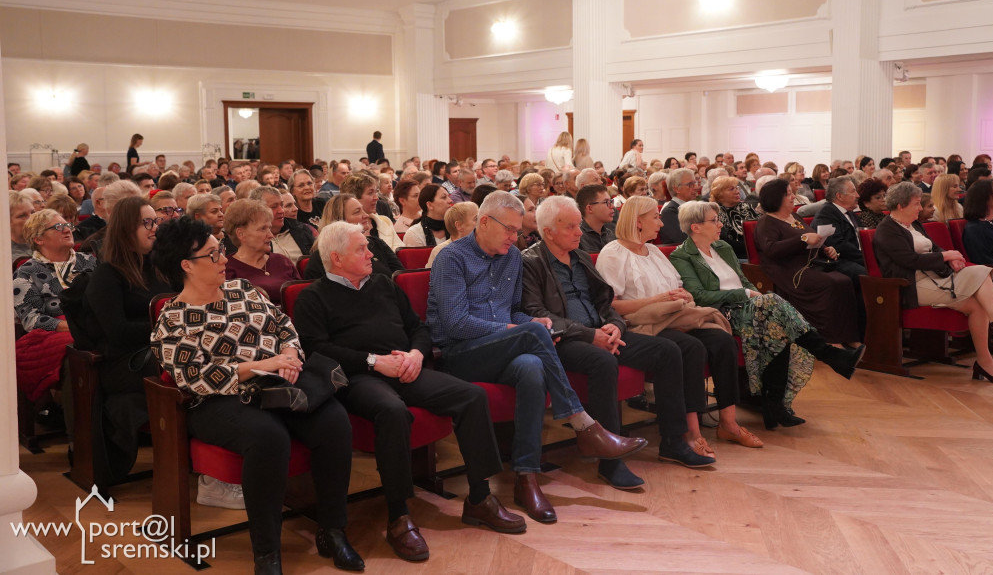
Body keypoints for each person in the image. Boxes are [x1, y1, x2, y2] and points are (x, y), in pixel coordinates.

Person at [294, 221, 525, 561]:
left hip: (405, 367)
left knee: (471, 396)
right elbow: (317, 350)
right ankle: (399, 516)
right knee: (392, 411)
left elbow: (418, 328)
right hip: (356, 378)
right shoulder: (312, 297)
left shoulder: (384, 286)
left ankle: (479, 497)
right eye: (361, 248)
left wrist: (417, 354)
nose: (371, 253)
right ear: (336, 258)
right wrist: (374, 361)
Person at [150, 217, 362, 573]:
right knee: (268, 437)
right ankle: (267, 552)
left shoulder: (243, 291)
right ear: (186, 265)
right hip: (220, 400)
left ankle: (332, 529)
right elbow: (195, 379)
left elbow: (283, 327)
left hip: (277, 385)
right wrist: (266, 362)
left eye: (221, 251)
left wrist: (291, 355)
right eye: (213, 254)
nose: (223, 260)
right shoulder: (174, 319)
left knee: (333, 422)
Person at [427, 191, 647, 525]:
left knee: (531, 366)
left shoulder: (511, 258)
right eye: (509, 231)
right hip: (459, 353)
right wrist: (519, 329)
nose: (515, 238)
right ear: (484, 222)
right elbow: (456, 324)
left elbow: (516, 309)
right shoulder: (451, 258)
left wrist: (531, 322)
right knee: (532, 336)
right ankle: (582, 423)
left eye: (518, 231)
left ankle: (525, 478)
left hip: (505, 348)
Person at [522, 197, 719, 489]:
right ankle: (610, 462)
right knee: (602, 361)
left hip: (603, 331)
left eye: (579, 225)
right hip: (564, 339)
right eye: (571, 227)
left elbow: (606, 301)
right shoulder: (531, 262)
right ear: (548, 231)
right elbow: (537, 313)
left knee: (667, 350)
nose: (579, 232)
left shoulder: (578, 257)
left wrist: (614, 325)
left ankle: (673, 442)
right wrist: (591, 335)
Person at [670, 201, 863, 428]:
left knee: (776, 325)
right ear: (696, 227)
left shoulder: (722, 247)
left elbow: (743, 280)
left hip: (750, 307)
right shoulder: (682, 256)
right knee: (773, 309)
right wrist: (747, 295)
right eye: (714, 220)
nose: (720, 224)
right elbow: (700, 296)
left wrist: (756, 297)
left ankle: (775, 407)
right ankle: (829, 357)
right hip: (721, 312)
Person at [596, 196, 757, 458]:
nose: (661, 223)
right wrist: (659, 300)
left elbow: (674, 287)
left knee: (722, 340)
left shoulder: (655, 251)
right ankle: (691, 432)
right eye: (655, 217)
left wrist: (680, 296)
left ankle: (728, 423)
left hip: (673, 315)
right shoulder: (613, 253)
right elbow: (611, 305)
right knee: (691, 347)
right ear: (638, 222)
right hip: (644, 322)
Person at [873, 181, 993, 386]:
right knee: (981, 271)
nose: (920, 208)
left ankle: (985, 363)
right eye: (916, 203)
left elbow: (934, 248)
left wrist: (949, 257)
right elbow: (909, 260)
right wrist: (945, 256)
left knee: (977, 304)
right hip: (911, 285)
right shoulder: (887, 229)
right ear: (900, 206)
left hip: (935, 278)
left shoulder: (914, 224)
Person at [82, 196, 174, 486]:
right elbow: (118, 332)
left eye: (155, 221)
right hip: (124, 363)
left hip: (157, 350)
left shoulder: (160, 267)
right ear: (125, 229)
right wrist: (165, 328)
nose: (154, 228)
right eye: (147, 222)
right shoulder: (107, 275)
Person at [754, 179, 863, 347]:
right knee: (831, 283)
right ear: (776, 198)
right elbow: (771, 249)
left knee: (844, 280)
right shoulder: (766, 222)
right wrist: (802, 239)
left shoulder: (795, 217)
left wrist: (826, 249)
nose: (793, 197)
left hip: (812, 264)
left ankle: (848, 335)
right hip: (789, 270)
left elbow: (813, 237)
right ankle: (830, 339)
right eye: (788, 194)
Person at [13, 210, 96, 404]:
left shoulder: (90, 262)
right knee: (75, 356)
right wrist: (76, 327)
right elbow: (32, 319)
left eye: (68, 225)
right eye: (58, 227)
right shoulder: (26, 273)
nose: (67, 230)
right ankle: (79, 427)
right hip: (55, 334)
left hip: (95, 325)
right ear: (38, 239)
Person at [304, 193, 402, 280]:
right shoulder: (321, 258)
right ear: (339, 221)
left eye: (363, 210)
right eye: (357, 212)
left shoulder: (377, 244)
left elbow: (400, 278)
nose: (366, 215)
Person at [222, 200, 300, 305]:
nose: (271, 235)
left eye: (270, 228)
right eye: (263, 229)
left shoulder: (282, 261)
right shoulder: (227, 270)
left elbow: (302, 299)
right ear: (241, 234)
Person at [810, 176, 867, 288]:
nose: (858, 195)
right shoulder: (826, 214)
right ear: (839, 196)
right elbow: (838, 245)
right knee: (868, 274)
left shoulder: (849, 213)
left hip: (855, 257)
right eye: (853, 191)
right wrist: (865, 258)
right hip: (839, 260)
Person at [247, 186, 316, 264]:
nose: (281, 211)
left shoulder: (302, 229)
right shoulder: (251, 240)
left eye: (282, 205)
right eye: (274, 207)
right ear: (257, 211)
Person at [340, 173, 401, 252]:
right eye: (370, 193)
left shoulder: (385, 222)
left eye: (376, 192)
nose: (376, 198)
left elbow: (400, 253)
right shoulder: (341, 229)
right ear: (353, 197)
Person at [709, 175, 759, 259]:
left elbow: (761, 228)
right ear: (719, 194)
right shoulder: (715, 213)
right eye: (732, 189)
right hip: (736, 257)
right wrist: (754, 245)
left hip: (757, 250)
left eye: (737, 188)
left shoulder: (746, 207)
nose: (737, 192)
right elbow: (726, 243)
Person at [426, 202, 477, 269]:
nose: (482, 223)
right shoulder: (441, 252)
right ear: (459, 226)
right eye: (476, 219)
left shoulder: (484, 248)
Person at [659, 169, 699, 245]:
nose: (696, 187)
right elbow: (686, 240)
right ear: (676, 189)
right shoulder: (670, 212)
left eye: (695, 183)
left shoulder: (696, 207)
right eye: (690, 184)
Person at [576, 184, 617, 253]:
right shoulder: (578, 237)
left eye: (611, 201)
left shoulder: (609, 234)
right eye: (606, 202)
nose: (612, 206)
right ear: (590, 208)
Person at [10, 190, 35, 259]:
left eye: (33, 213)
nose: (31, 219)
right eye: (22, 216)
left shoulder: (43, 246)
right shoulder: (6, 258)